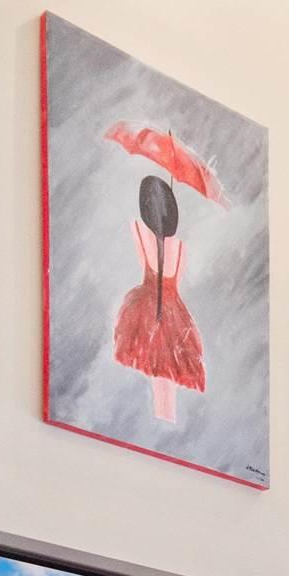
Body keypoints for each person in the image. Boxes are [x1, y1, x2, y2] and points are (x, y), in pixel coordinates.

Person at [112, 173, 205, 424]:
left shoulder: (139, 232)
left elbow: (146, 259)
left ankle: (161, 421)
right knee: (166, 373)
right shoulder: (181, 248)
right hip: (174, 313)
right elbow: (176, 279)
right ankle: (165, 419)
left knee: (156, 368)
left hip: (148, 309)